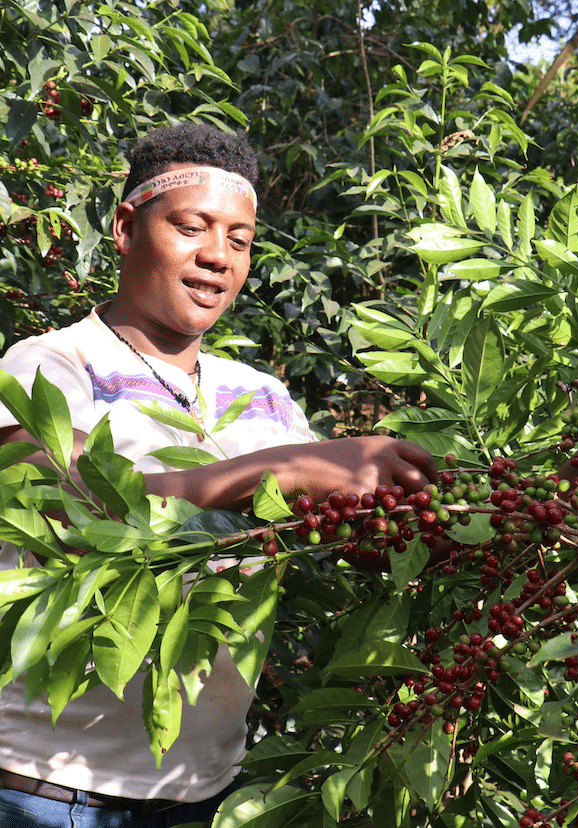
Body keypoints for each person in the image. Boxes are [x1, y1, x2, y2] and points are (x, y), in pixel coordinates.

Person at [0, 122, 438, 827]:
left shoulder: (261, 391)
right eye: (191, 227)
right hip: (47, 788)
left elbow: (322, 527)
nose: (216, 257)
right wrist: (291, 465)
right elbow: (77, 503)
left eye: (237, 240)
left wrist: (437, 517)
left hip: (205, 788)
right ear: (125, 227)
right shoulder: (48, 364)